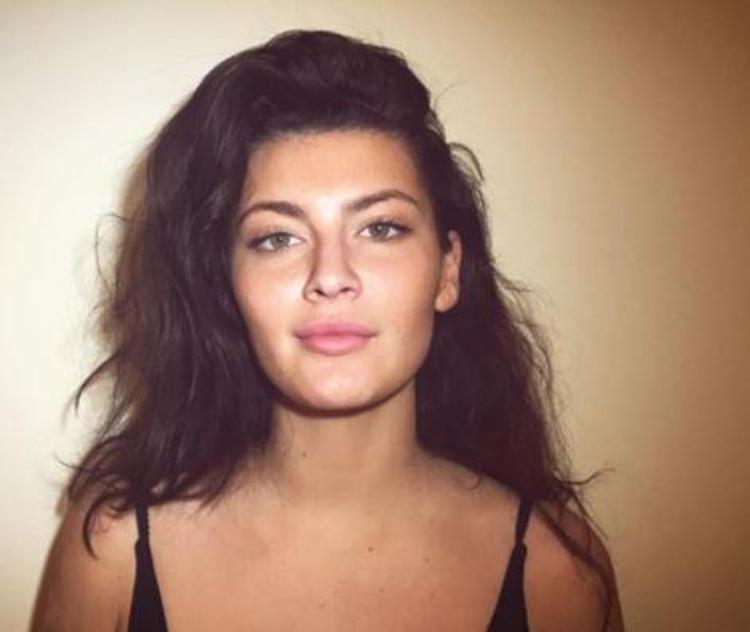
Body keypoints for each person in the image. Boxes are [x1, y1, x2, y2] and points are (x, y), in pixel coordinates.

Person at [31, 29, 623, 631]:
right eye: (277, 238)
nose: (331, 277)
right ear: (227, 285)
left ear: (448, 272)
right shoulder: (114, 551)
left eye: (381, 228)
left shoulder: (559, 574)